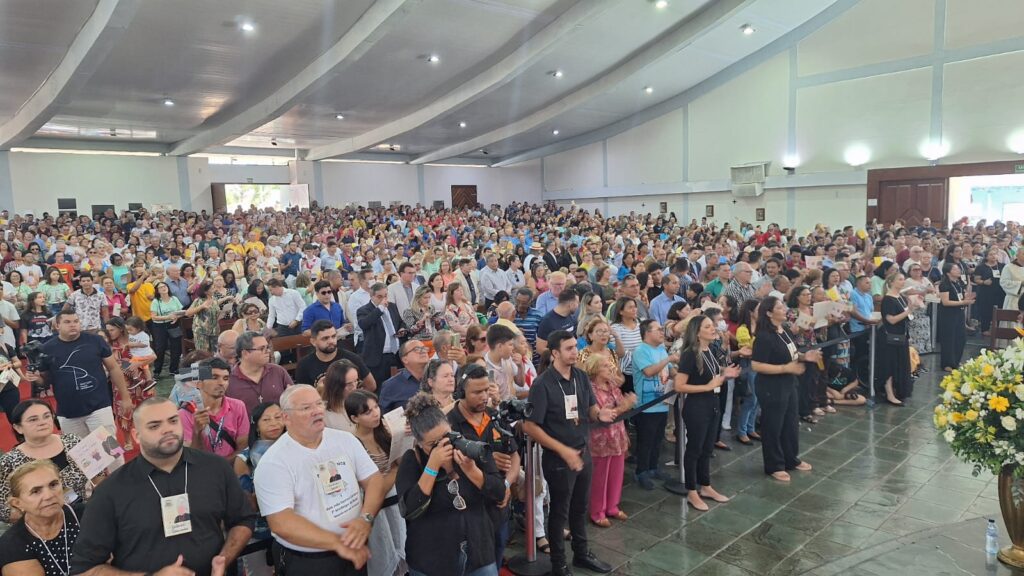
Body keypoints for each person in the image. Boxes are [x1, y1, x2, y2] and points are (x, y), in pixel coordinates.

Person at [71, 397, 257, 576]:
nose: (167, 429)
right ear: (136, 435)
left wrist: (223, 559)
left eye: (173, 421)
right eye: (154, 425)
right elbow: (86, 569)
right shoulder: (110, 492)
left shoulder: (216, 468)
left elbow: (243, 520)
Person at [254, 384, 385, 575]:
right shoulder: (274, 462)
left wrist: (366, 518)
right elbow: (281, 522)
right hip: (309, 561)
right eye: (306, 408)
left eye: (318, 404)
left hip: (354, 550)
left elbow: (374, 479)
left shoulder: (345, 439)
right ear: (285, 417)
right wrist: (336, 543)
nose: (316, 411)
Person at [521, 330, 617, 576]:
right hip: (559, 457)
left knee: (580, 507)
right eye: (569, 348)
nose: (575, 351)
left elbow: (591, 408)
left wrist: (600, 414)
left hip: (582, 450)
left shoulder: (581, 377)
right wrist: (563, 450)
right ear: (554, 353)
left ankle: (582, 554)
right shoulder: (543, 384)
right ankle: (559, 564)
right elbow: (530, 426)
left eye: (575, 346)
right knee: (560, 511)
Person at [397, 392, 504, 576]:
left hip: (479, 552)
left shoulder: (469, 445)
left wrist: (472, 471)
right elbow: (409, 509)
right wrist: (432, 466)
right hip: (432, 559)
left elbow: (499, 492)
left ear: (451, 427)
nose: (443, 445)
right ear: (420, 443)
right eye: (433, 443)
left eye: (447, 436)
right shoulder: (412, 460)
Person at [447, 363, 520, 568]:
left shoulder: (495, 417)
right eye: (477, 392)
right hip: (468, 515)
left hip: (498, 510)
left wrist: (506, 486)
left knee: (496, 557)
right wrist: (485, 460)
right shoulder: (449, 425)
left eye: (486, 390)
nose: (484, 396)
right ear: (460, 392)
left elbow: (514, 456)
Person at [24, 310, 133, 439]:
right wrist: (36, 379)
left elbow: (114, 368)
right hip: (67, 411)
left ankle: (117, 460)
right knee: (80, 454)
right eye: (67, 322)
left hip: (99, 406)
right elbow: (45, 380)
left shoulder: (95, 340)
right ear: (57, 325)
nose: (73, 325)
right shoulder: (47, 348)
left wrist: (125, 397)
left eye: (76, 321)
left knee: (110, 450)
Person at [673, 315, 740, 510]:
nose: (713, 329)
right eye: (708, 326)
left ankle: (706, 486)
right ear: (697, 331)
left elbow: (711, 374)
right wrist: (708, 386)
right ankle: (692, 491)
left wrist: (725, 373)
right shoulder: (689, 354)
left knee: (707, 449)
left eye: (713, 326)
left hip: (712, 404)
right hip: (697, 407)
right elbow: (679, 385)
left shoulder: (709, 350)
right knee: (694, 449)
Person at [750, 296, 820, 482]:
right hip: (772, 386)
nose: (784, 309)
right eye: (780, 307)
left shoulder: (785, 330)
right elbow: (756, 365)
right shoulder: (764, 336)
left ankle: (791, 458)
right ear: (769, 312)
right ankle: (774, 464)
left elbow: (793, 353)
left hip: (789, 383)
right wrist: (784, 368)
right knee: (773, 425)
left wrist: (806, 357)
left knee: (790, 423)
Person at [344, 390, 408, 576]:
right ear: (355, 418)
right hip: (375, 508)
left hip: (397, 501)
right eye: (367, 412)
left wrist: (404, 438)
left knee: (403, 549)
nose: (375, 413)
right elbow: (374, 487)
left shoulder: (384, 431)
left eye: (376, 407)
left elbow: (401, 464)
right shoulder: (352, 442)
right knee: (383, 555)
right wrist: (395, 471)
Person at [0, 401, 88, 524]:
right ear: (18, 428)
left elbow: (99, 475)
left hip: (81, 515)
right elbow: (3, 507)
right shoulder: (9, 461)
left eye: (46, 416)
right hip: (40, 525)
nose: (42, 422)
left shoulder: (73, 441)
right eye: (33, 420)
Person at [0, 460, 83, 576]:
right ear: (17, 503)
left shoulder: (89, 514)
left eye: (53, 485)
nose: (49, 495)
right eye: (36, 491)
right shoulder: (12, 543)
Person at [582, 354, 634, 527]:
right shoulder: (591, 389)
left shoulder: (612, 385)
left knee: (616, 472)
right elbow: (604, 414)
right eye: (605, 365)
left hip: (617, 435)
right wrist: (625, 406)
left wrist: (625, 405)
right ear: (595, 369)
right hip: (600, 439)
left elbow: (620, 406)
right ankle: (597, 511)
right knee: (600, 476)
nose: (610, 368)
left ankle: (612, 505)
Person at [630, 319, 677, 489]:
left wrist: (679, 376)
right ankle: (641, 472)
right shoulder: (640, 350)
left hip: (662, 401)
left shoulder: (661, 349)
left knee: (657, 439)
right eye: (658, 329)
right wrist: (669, 358)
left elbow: (670, 370)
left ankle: (653, 467)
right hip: (646, 405)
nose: (662, 332)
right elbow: (649, 371)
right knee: (646, 440)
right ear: (647, 332)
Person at [180, 358, 250, 459]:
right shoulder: (184, 414)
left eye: (225, 378)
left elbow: (243, 448)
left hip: (231, 469)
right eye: (214, 377)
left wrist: (220, 467)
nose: (221, 383)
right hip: (201, 471)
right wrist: (197, 432)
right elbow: (191, 457)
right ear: (199, 383)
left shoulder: (238, 406)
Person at [295, 319, 375, 390]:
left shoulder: (352, 359)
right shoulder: (304, 365)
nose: (331, 341)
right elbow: (303, 395)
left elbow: (371, 385)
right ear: (313, 342)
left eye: (333, 336)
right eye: (325, 338)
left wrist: (353, 402)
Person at [228, 331, 294, 413]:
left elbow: (293, 399)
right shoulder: (229, 380)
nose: (268, 351)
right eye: (262, 348)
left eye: (267, 347)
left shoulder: (278, 371)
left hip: (279, 424)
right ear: (245, 353)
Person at [358, 282, 406, 387]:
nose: (383, 299)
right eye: (379, 296)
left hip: (395, 354)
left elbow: (400, 321)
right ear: (372, 296)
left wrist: (401, 328)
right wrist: (379, 309)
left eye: (385, 296)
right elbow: (364, 324)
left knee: (398, 386)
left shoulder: (392, 306)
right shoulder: (364, 310)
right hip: (378, 358)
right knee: (380, 388)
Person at [937, 262, 974, 372]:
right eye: (955, 269)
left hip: (959, 313)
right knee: (949, 339)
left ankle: (956, 361)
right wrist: (963, 302)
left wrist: (967, 299)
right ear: (948, 273)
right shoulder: (944, 284)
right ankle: (947, 363)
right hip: (948, 314)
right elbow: (945, 302)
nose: (958, 270)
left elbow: (961, 298)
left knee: (960, 338)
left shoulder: (958, 283)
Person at [378, 340, 431, 413]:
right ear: (405, 359)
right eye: (417, 349)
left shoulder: (437, 378)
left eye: (424, 348)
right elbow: (384, 417)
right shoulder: (391, 386)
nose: (423, 351)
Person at [149, 281, 185, 377]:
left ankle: (174, 369)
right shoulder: (156, 301)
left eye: (164, 286)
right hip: (160, 326)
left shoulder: (174, 299)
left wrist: (176, 317)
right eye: (160, 287)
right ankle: (157, 370)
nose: (163, 288)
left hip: (173, 324)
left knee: (176, 347)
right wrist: (168, 317)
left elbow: (180, 312)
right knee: (160, 348)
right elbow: (154, 317)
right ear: (157, 291)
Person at [610, 297, 643, 394]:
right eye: (630, 307)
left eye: (635, 307)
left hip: (643, 371)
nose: (634, 309)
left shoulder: (641, 325)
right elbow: (617, 354)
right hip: (627, 373)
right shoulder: (615, 328)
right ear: (621, 312)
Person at [484, 324, 524, 401]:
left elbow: (521, 383)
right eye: (510, 345)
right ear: (499, 346)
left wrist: (520, 366)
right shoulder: (484, 366)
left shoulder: (508, 359)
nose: (513, 348)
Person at [535, 290, 579, 356]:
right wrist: (561, 354)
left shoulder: (571, 318)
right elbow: (540, 349)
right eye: (577, 303)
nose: (578, 306)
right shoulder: (547, 321)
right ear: (570, 304)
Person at [187, 280, 221, 353]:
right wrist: (201, 307)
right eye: (212, 288)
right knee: (203, 354)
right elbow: (188, 313)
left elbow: (216, 312)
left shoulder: (214, 299)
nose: (214, 289)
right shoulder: (199, 300)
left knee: (215, 353)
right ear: (206, 291)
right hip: (202, 331)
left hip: (214, 330)